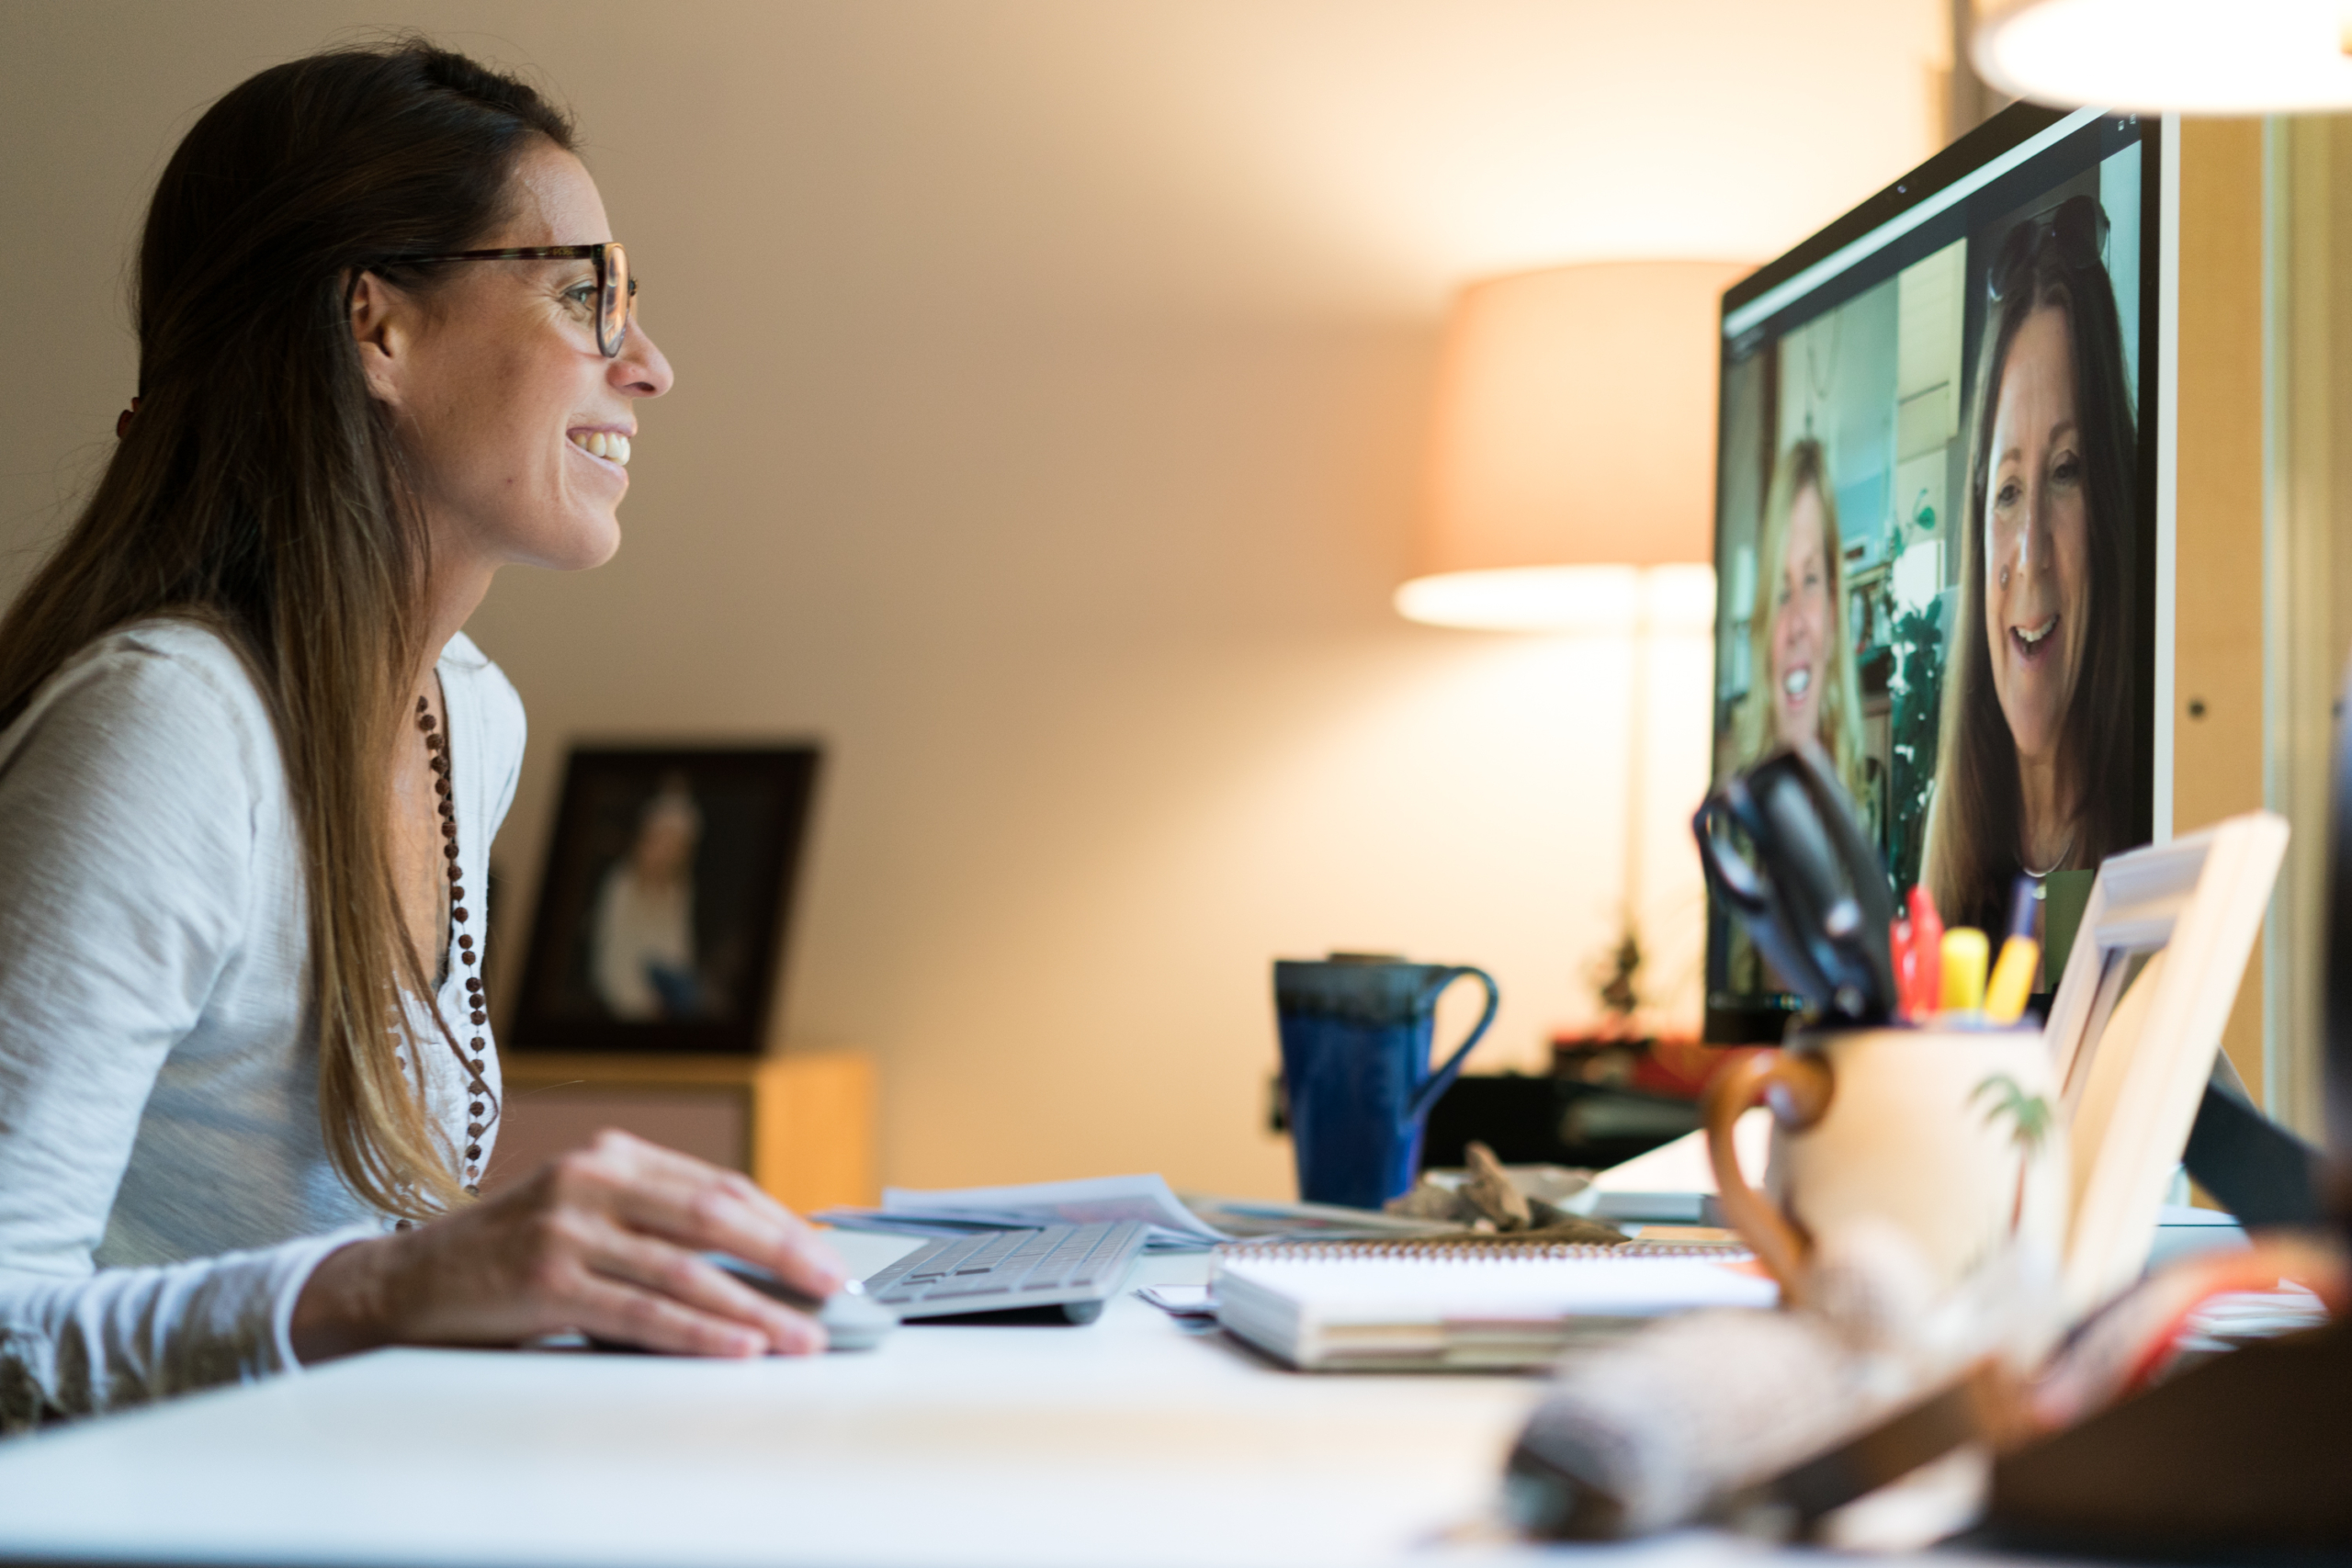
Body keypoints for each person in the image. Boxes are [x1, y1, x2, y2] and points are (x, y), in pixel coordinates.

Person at [0, 41, 845, 1429]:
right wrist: (395, 1290)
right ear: (375, 326)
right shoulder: (167, 734)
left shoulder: (473, 718)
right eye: (590, 292)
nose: (651, 366)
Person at [1925, 194, 2139, 935]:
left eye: (2068, 471)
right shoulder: (1953, 863)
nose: (2030, 551)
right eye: (2009, 489)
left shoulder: (2150, 836)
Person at [1736, 436, 1869, 810]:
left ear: (1833, 614)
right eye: (1781, 593)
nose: (1795, 625)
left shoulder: (1860, 821)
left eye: (1809, 581)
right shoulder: (1732, 824)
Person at [593, 776, 705, 1019]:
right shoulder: (622, 884)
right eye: (659, 841)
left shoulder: (678, 891)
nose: (664, 853)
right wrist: (642, 1005)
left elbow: (679, 950)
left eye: (674, 846)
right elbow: (613, 960)